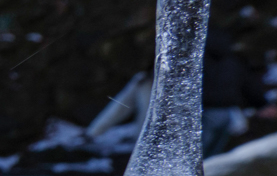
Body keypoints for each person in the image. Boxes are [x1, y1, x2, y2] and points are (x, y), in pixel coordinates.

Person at [85, 40, 261, 156]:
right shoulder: (145, 82)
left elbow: (119, 107)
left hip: (170, 141)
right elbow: (119, 107)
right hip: (154, 140)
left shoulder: (181, 81)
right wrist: (93, 132)